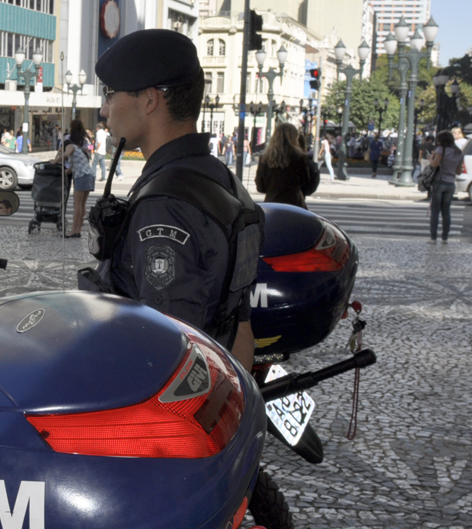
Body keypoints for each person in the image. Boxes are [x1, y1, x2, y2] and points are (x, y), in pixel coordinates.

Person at [81, 29, 263, 373]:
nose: (105, 109)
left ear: (149, 100)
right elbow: (241, 328)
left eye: (110, 93)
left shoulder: (165, 205)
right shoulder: (220, 179)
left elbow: (161, 349)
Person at [255, 122, 318, 209]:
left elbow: (260, 187)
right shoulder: (299, 158)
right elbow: (305, 182)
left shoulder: (265, 159)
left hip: (272, 205)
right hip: (295, 206)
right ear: (294, 138)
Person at [60, 119, 94, 237]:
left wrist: (55, 161)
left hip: (78, 173)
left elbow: (63, 154)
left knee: (76, 203)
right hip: (86, 172)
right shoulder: (84, 140)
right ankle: (78, 229)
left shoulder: (68, 139)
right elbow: (85, 155)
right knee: (82, 204)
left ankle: (74, 230)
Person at [427, 130, 462, 244]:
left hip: (439, 182)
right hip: (450, 184)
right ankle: (445, 238)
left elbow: (435, 164)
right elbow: (459, 171)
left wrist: (430, 158)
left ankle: (433, 238)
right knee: (446, 212)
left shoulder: (441, 149)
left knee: (435, 211)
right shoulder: (458, 152)